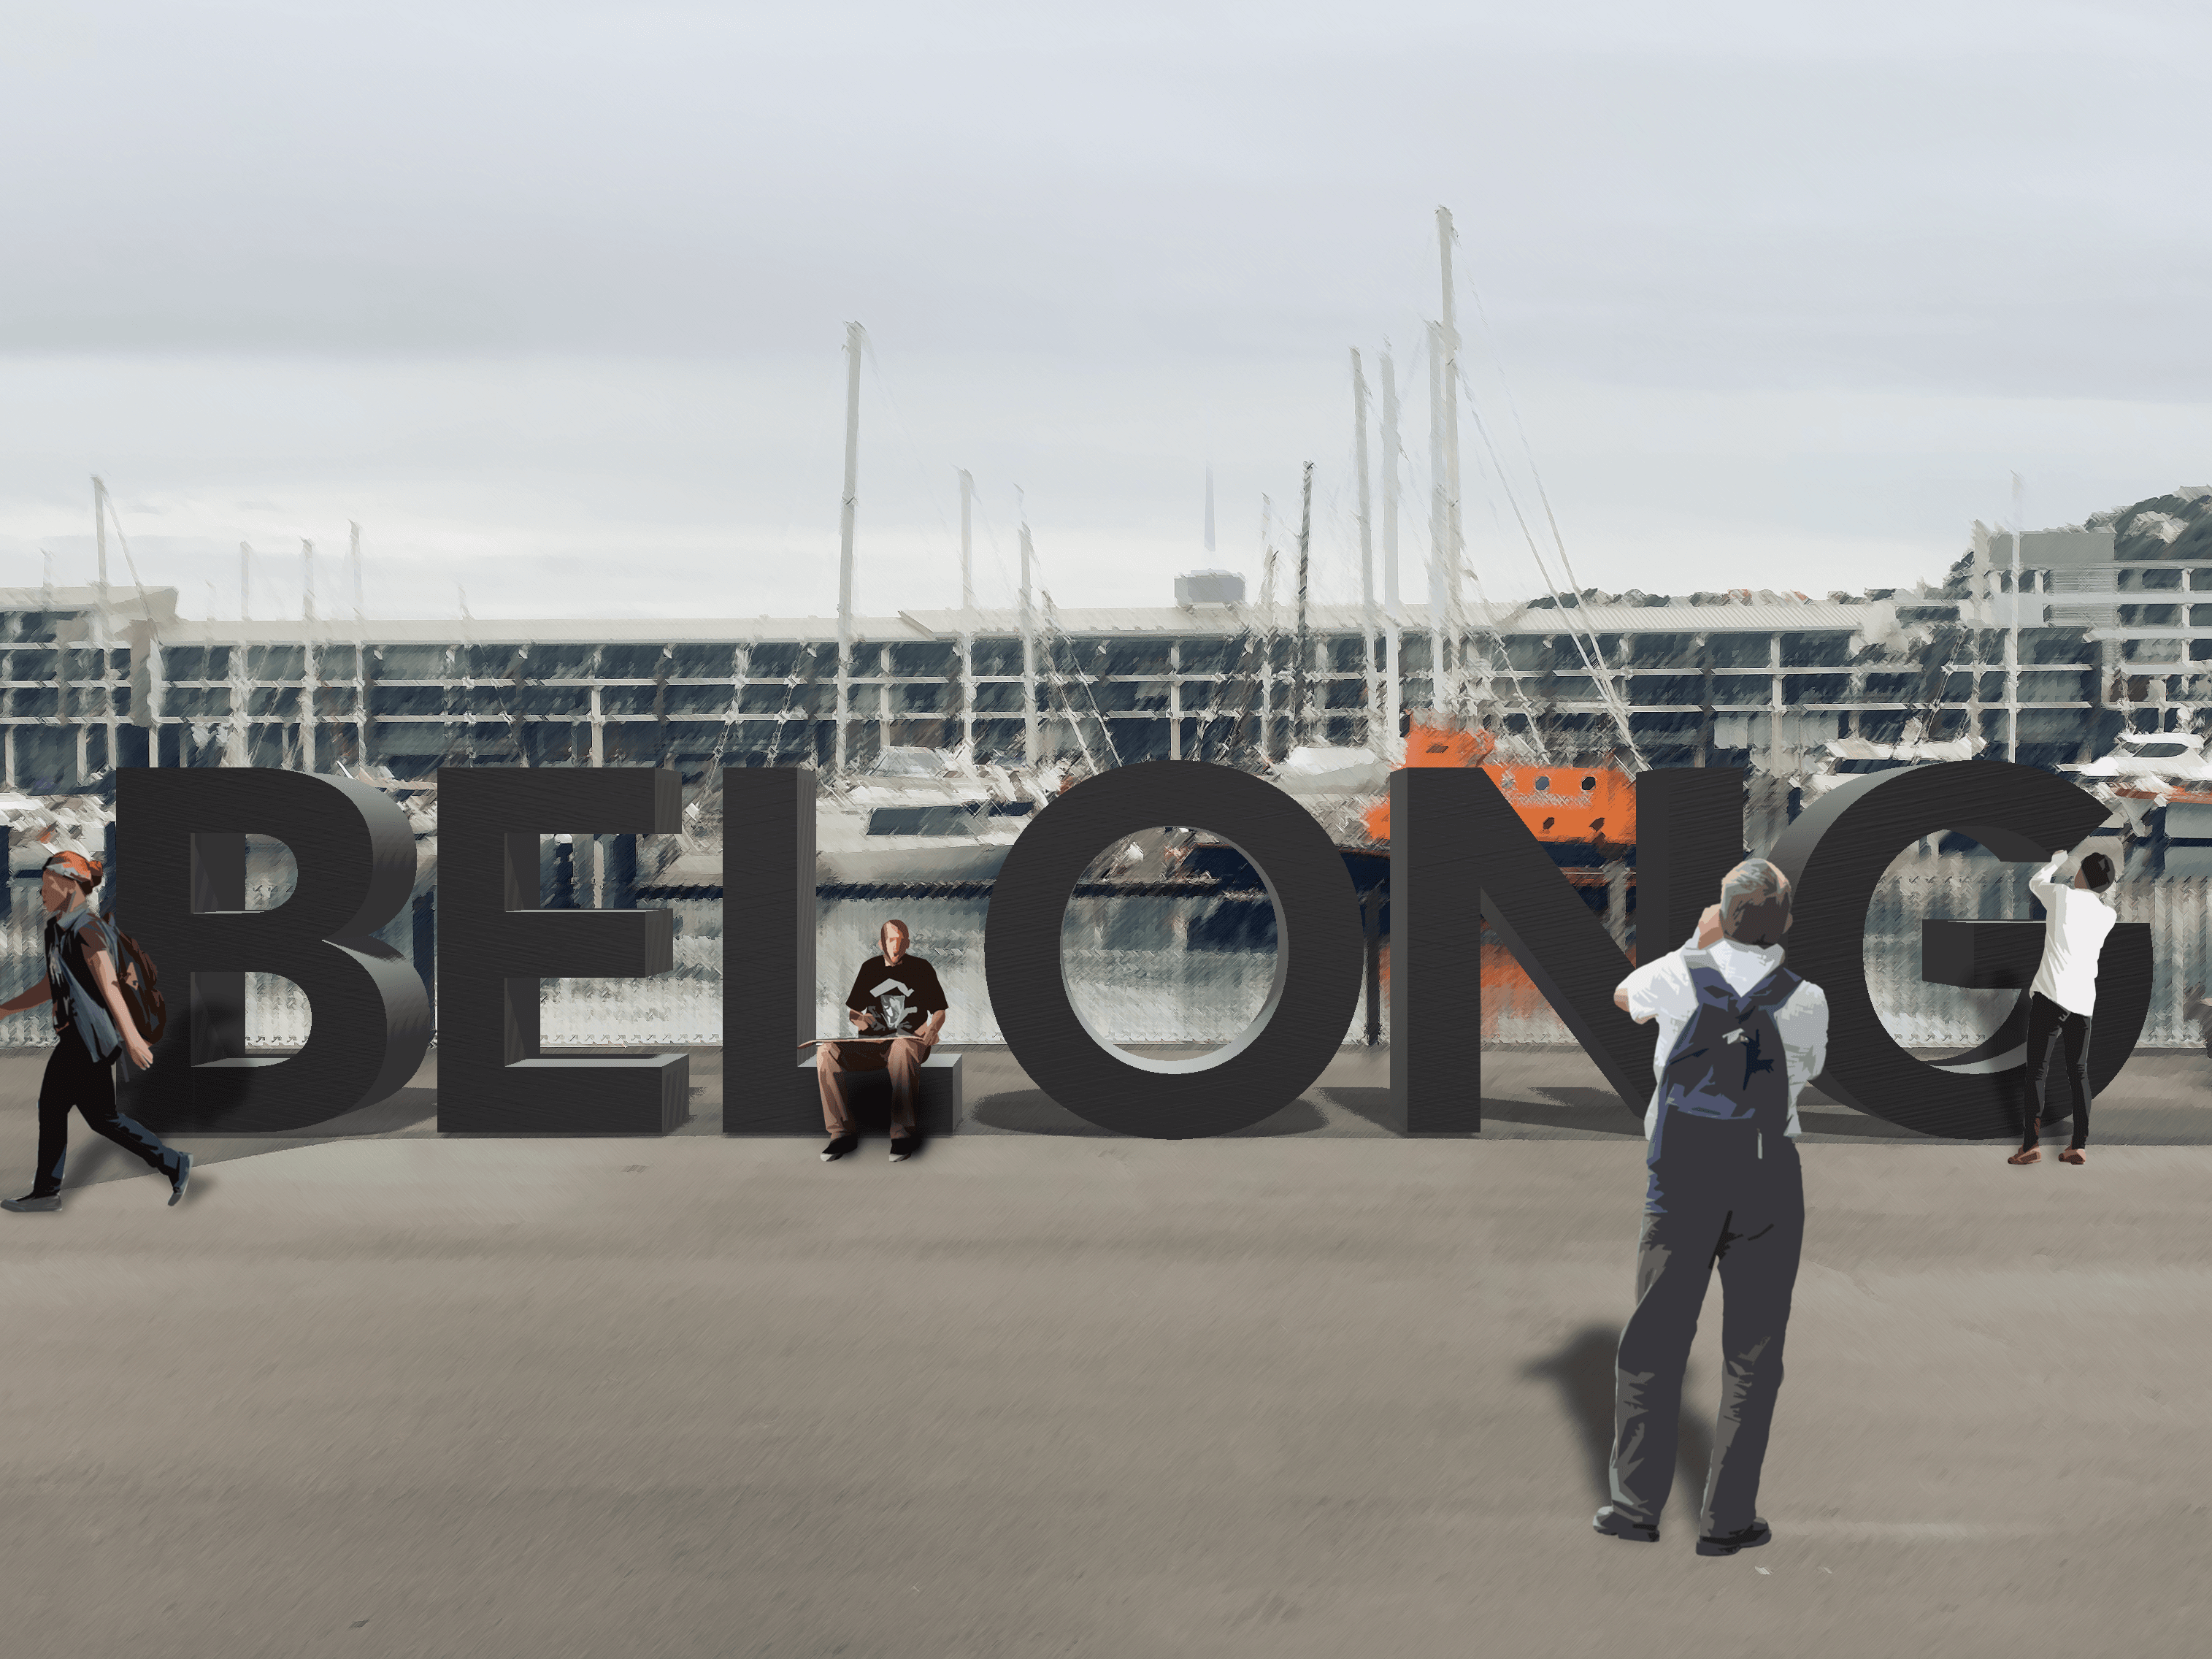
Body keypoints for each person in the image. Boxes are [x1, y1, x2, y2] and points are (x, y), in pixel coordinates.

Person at [1591, 858, 1829, 1557]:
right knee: (1753, 1354)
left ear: (1721, 914)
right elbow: (1804, 1073)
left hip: (1682, 1179)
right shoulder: (1808, 997)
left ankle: (1634, 1507)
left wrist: (1698, 947)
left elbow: (1621, 997)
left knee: (1654, 1341)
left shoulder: (1676, 974)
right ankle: (1728, 1520)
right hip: (1766, 1180)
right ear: (1785, 921)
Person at [1, 851, 190, 1214]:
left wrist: (132, 1037)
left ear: (69, 884)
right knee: (102, 1118)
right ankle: (173, 1162)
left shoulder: (88, 928)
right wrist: (7, 1009)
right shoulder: (55, 928)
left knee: (54, 1108)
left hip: (90, 1040)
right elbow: (51, 984)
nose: (41, 893)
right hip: (79, 1038)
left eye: (46, 885)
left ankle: (46, 1192)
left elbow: (110, 986)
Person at [2008, 848, 2117, 1167]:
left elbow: (2035, 882)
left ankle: (2030, 1146)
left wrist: (2055, 862)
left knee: (2037, 1073)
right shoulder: (2107, 916)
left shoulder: (2061, 896)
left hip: (2051, 995)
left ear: (2081, 874)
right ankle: (2078, 1147)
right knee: (2079, 1073)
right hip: (2083, 1001)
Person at [815, 919, 947, 1164]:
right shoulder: (870, 969)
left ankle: (902, 1134)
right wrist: (860, 1020)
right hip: (873, 1044)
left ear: (907, 942)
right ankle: (841, 1133)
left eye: (900, 941)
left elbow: (939, 1011)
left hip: (911, 1041)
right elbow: (853, 1012)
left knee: (900, 1047)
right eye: (890, 940)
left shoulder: (922, 969)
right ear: (881, 943)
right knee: (825, 1051)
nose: (895, 947)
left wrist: (933, 1028)